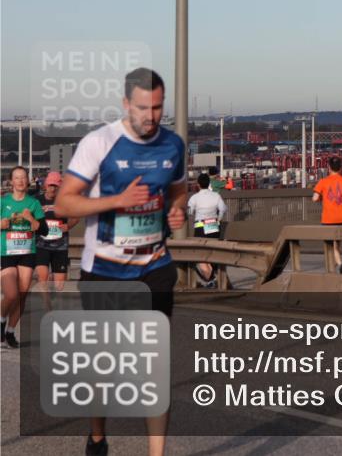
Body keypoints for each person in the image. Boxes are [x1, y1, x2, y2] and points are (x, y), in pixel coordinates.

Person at [56, 67, 186, 456]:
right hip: (105, 273)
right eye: (143, 108)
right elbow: (64, 203)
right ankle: (97, 437)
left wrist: (177, 212)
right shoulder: (99, 143)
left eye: (158, 108)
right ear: (126, 104)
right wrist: (116, 201)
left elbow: (177, 192)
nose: (151, 116)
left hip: (155, 268)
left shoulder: (174, 146)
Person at [1, 166, 45, 348]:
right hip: (7, 252)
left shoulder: (34, 203)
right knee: (11, 294)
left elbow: (43, 230)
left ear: (28, 181)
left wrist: (31, 220)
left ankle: (10, 331)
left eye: (23, 177)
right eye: (16, 178)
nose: (20, 181)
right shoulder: (3, 202)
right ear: (11, 182)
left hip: (27, 253)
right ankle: (1, 319)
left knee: (22, 294)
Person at [35, 171, 79, 304]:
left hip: (60, 245)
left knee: (59, 284)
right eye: (50, 185)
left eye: (55, 185)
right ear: (45, 185)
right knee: (43, 278)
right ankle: (47, 307)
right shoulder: (37, 200)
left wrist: (68, 226)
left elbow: (76, 216)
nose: (52, 188)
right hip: (41, 244)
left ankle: (54, 300)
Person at [312, 157, 342, 274]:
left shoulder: (323, 181)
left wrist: (322, 197)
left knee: (331, 246)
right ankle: (336, 263)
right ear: (341, 167)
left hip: (328, 218)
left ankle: (338, 264)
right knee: (336, 244)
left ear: (329, 167)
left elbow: (315, 198)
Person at [187, 173, 228, 286]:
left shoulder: (194, 198)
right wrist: (218, 219)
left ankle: (210, 279)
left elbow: (189, 212)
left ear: (198, 184)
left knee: (200, 254)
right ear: (209, 183)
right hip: (214, 226)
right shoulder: (216, 196)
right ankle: (213, 277)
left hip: (200, 227)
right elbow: (223, 209)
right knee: (212, 251)